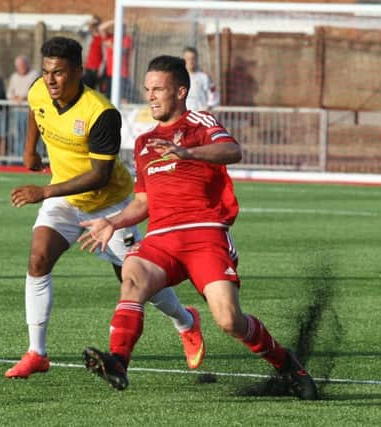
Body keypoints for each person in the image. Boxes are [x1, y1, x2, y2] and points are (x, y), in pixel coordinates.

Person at [78, 55, 319, 400]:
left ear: (180, 91)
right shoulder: (145, 144)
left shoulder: (199, 122)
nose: (151, 96)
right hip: (161, 239)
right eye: (147, 89)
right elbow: (144, 202)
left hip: (205, 233)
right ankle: (118, 360)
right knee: (131, 274)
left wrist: (187, 153)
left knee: (229, 320)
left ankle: (285, 362)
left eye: (158, 89)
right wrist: (111, 222)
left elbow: (231, 150)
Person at [5, 37, 203, 380]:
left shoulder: (101, 114)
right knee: (38, 259)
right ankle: (37, 352)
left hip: (110, 205)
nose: (51, 80)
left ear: (79, 72)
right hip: (65, 200)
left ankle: (185, 320)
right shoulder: (40, 89)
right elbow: (35, 111)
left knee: (136, 279)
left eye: (60, 73)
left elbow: (98, 176)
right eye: (47, 72)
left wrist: (44, 190)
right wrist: (29, 151)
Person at [6, 55, 39, 159]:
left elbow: (36, 91)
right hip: (17, 111)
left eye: (22, 65)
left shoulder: (34, 74)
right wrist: (15, 98)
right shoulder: (14, 76)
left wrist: (24, 97)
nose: (21, 67)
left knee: (32, 136)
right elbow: (9, 93)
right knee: (19, 135)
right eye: (18, 66)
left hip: (31, 111)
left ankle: (34, 157)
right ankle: (19, 158)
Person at [99, 20, 133, 101]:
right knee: (108, 97)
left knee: (123, 98)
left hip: (122, 74)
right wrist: (114, 21)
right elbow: (100, 28)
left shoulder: (127, 39)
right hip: (110, 73)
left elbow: (122, 51)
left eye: (122, 28)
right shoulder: (111, 37)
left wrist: (112, 45)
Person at [182, 47, 220, 112]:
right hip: (184, 115)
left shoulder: (204, 77)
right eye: (188, 59)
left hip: (199, 114)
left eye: (193, 59)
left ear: (196, 59)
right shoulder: (179, 77)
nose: (190, 61)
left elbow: (213, 93)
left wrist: (208, 106)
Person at [82, 16, 104, 90]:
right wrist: (88, 22)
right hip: (88, 68)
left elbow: (105, 56)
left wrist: (101, 68)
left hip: (98, 70)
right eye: (93, 26)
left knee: (98, 91)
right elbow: (79, 30)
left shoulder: (102, 38)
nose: (94, 28)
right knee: (87, 90)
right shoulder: (89, 37)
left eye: (96, 25)